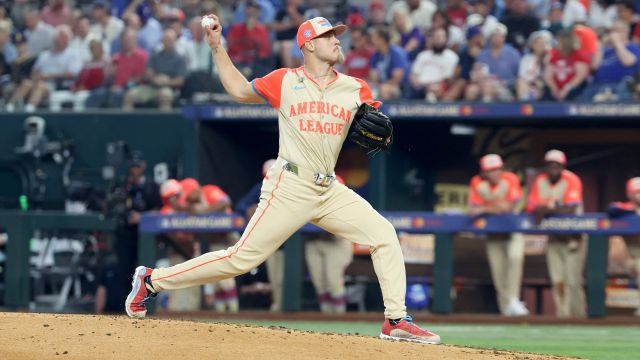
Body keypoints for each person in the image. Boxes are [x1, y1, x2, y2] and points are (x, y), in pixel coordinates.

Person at [126, 15, 441, 345]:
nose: (337, 40)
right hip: (290, 184)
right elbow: (237, 90)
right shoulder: (285, 80)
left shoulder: (355, 88)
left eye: (337, 35)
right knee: (240, 259)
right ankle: (151, 280)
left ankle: (395, 319)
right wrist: (217, 47)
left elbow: (377, 122)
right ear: (308, 44)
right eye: (328, 35)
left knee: (384, 234)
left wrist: (380, 121)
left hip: (328, 187)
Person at [526, 149, 586, 318]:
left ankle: (579, 317)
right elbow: (532, 208)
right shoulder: (540, 180)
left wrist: (547, 208)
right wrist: (554, 207)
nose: (553, 167)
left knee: (573, 281)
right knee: (557, 281)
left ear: (562, 166)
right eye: (550, 164)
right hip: (553, 237)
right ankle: (563, 317)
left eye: (557, 165)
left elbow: (570, 209)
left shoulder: (571, 179)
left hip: (574, 237)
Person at [468, 154, 529, 316]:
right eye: (490, 170)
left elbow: (509, 207)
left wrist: (485, 208)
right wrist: (495, 207)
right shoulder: (477, 182)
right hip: (493, 233)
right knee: (498, 270)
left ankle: (514, 299)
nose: (494, 173)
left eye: (497, 169)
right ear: (484, 173)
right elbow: (472, 211)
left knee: (515, 257)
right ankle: (506, 310)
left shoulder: (510, 178)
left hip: (512, 229)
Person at [305, 175, 353, 314]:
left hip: (336, 242)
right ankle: (326, 318)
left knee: (333, 282)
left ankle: (339, 317)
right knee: (319, 283)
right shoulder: (312, 196)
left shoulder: (345, 201)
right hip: (314, 241)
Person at [607, 177, 640, 316]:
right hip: (633, 256)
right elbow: (611, 209)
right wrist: (634, 212)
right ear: (629, 193)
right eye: (636, 192)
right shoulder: (625, 209)